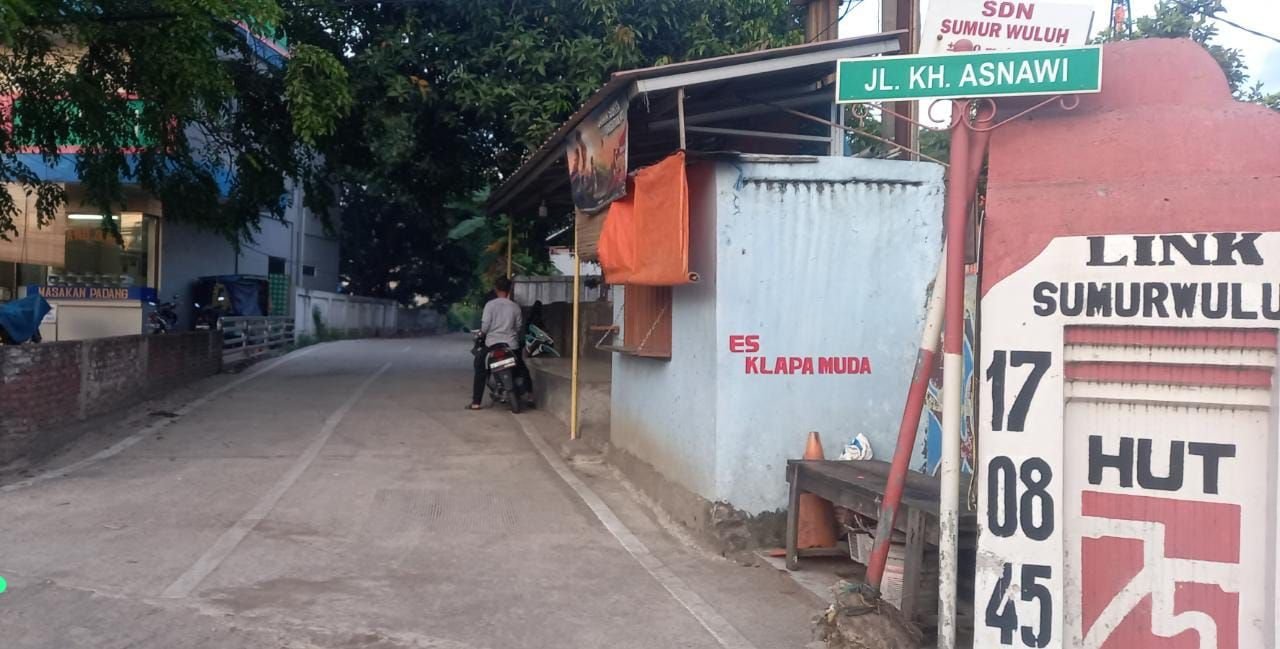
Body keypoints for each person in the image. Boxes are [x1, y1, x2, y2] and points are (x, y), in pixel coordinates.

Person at [470, 277, 534, 410]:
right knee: (521, 368)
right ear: (510, 289)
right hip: (511, 345)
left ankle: (476, 402)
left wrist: (481, 334)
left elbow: (485, 326)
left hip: (492, 345)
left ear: (496, 289)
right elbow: (518, 326)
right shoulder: (515, 306)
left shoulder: (490, 305)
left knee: (480, 368)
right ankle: (529, 395)